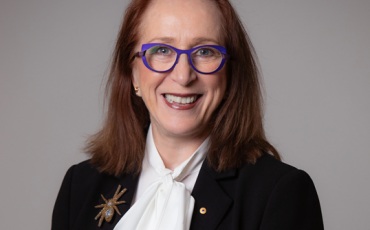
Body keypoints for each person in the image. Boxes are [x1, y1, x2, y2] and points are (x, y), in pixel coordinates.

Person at [52, 0, 324, 229]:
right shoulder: (80, 186)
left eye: (205, 51)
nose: (183, 76)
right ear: (133, 72)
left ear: (230, 73)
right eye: (162, 50)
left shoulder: (279, 193)